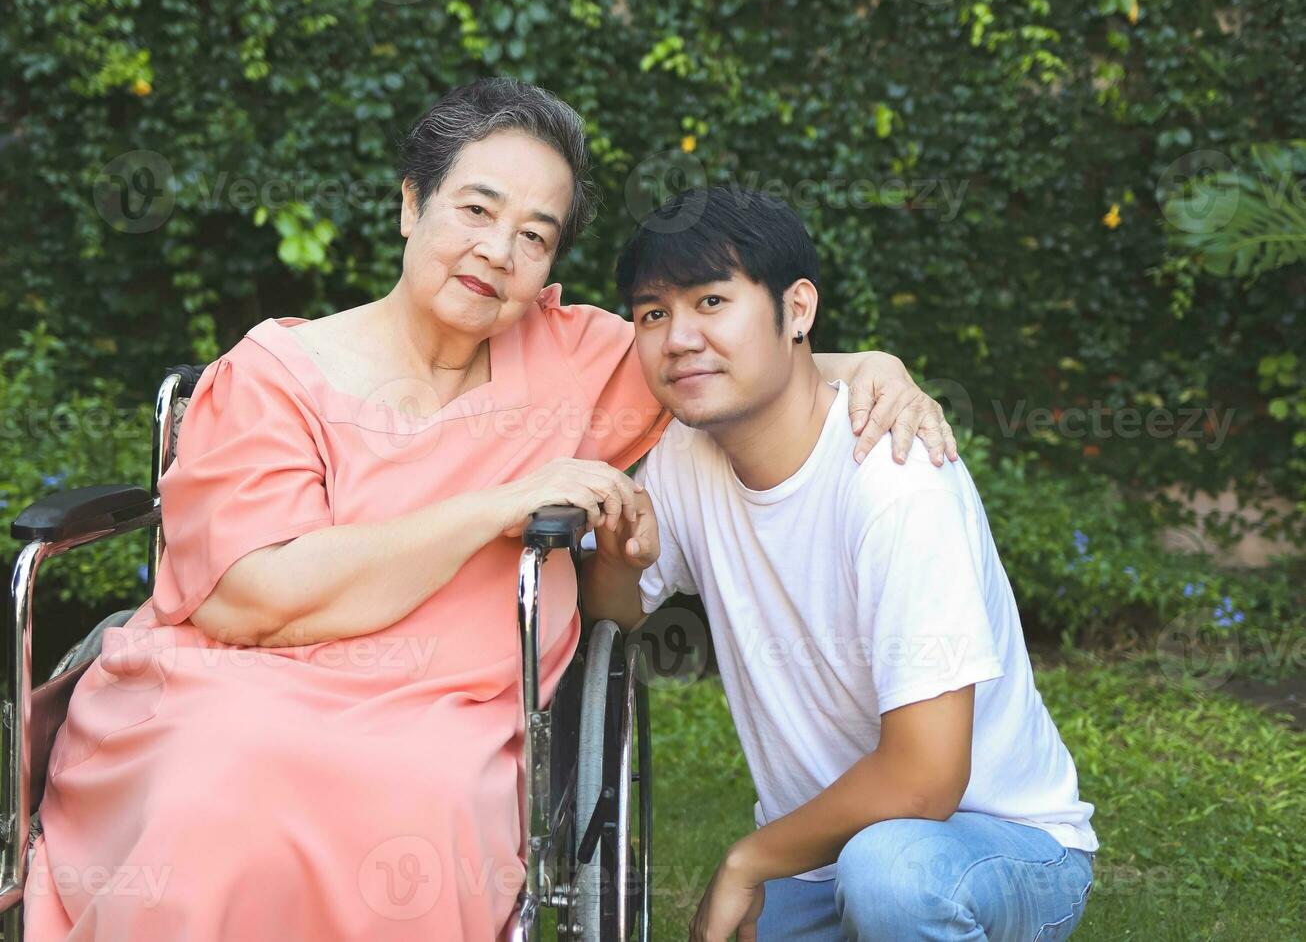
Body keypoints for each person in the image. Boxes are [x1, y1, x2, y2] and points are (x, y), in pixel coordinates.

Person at [22, 82, 954, 941]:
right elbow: (247, 600)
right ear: (409, 204)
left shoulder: (576, 356)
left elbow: (725, 360)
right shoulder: (277, 376)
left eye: (536, 235)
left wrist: (869, 366)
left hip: (447, 715)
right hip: (230, 687)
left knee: (420, 803)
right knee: (218, 779)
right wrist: (498, 504)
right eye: (475, 208)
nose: (498, 252)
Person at [583, 186, 1098, 941]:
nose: (679, 337)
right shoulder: (687, 460)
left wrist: (747, 862)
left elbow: (926, 780)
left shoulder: (893, 477)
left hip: (995, 843)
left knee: (891, 877)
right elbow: (612, 618)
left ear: (798, 309)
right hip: (820, 859)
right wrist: (620, 563)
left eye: (712, 301)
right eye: (654, 312)